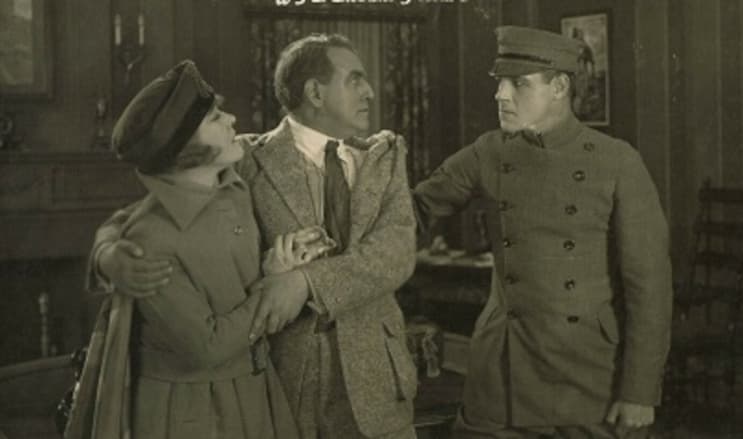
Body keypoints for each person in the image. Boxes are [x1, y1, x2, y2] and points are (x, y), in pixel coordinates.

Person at [88, 34, 418, 439]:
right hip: (282, 386)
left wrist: (304, 282)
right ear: (315, 93)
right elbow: (151, 209)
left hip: (377, 386)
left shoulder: (384, 159)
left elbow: (394, 255)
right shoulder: (244, 157)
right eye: (355, 79)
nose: (370, 91)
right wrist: (107, 254)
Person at [413, 26, 673, 439]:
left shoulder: (618, 162)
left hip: (589, 379)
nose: (501, 95)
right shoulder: (490, 152)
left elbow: (649, 286)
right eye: (500, 82)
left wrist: (640, 391)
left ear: (559, 87)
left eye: (519, 83)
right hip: (502, 377)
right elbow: (415, 210)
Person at [72, 60, 311, 439]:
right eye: (215, 117)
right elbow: (208, 347)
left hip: (254, 393)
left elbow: (127, 215)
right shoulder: (148, 244)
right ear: (185, 147)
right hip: (193, 413)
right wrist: (274, 286)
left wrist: (104, 249)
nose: (232, 119)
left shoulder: (231, 187)